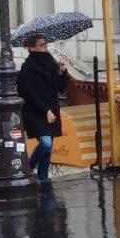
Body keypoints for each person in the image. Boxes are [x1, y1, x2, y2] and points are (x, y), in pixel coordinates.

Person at [17, 36, 69, 183]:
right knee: (45, 143)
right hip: (35, 111)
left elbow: (60, 87)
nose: (45, 46)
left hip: (51, 109)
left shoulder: (50, 63)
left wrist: (62, 71)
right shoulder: (27, 68)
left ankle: (43, 179)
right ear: (31, 48)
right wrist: (45, 111)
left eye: (45, 44)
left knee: (48, 148)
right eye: (41, 45)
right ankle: (28, 167)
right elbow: (28, 94)